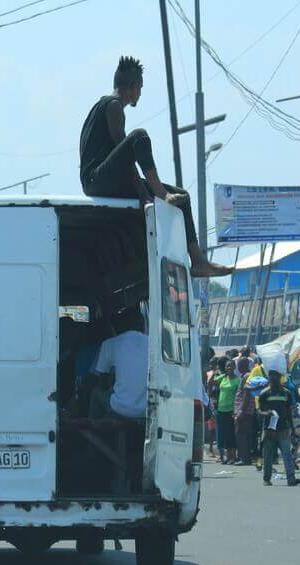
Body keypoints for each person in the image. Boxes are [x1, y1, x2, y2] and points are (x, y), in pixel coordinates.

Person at [79, 56, 231, 278]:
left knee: (182, 196)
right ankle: (161, 192)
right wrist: (146, 196)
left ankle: (198, 260)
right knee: (139, 137)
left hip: (106, 178)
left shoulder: (107, 107)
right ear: (132, 88)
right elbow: (127, 157)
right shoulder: (112, 107)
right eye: (139, 87)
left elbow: (122, 159)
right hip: (96, 180)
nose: (140, 93)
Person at [92, 308, 149, 420]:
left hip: (119, 408)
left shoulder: (109, 343)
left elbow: (102, 382)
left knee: (96, 393)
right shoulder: (152, 342)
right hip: (147, 410)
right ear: (142, 325)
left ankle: (93, 427)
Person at [258, 369, 298, 486]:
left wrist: (293, 429)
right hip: (269, 429)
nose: (273, 379)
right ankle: (266, 479)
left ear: (279, 378)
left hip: (283, 428)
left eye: (276, 377)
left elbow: (289, 412)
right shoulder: (264, 393)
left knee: (287, 454)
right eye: (271, 377)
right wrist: (266, 413)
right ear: (269, 379)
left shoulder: (287, 393)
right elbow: (259, 410)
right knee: (268, 455)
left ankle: (291, 478)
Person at [215, 360, 239, 464]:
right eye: (227, 367)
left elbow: (239, 397)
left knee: (230, 435)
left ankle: (232, 457)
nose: (228, 368)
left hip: (231, 410)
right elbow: (211, 382)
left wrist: (236, 410)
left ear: (234, 367)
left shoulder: (237, 380)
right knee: (223, 434)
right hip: (221, 410)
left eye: (230, 366)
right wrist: (216, 373)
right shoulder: (223, 378)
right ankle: (226, 457)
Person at [233, 357, 256, 465]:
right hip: (245, 410)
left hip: (245, 411)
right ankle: (246, 457)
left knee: (241, 435)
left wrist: (241, 411)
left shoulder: (247, 376)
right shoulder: (246, 375)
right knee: (244, 435)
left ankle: (244, 458)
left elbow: (246, 395)